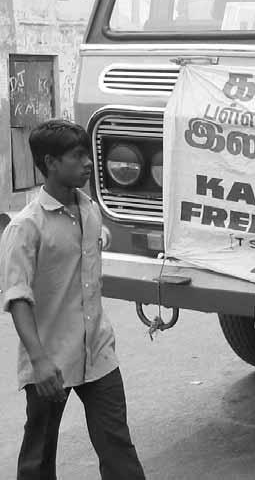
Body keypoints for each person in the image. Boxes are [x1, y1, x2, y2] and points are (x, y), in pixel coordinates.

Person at [0, 120, 146, 480]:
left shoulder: (89, 209)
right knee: (39, 455)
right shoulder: (25, 227)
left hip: (98, 353)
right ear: (50, 163)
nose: (88, 163)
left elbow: (90, 242)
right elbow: (18, 297)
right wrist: (39, 361)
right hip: (50, 361)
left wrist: (102, 238)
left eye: (87, 155)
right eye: (77, 156)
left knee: (117, 446)